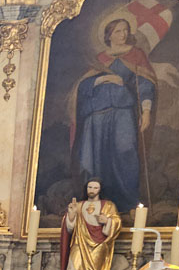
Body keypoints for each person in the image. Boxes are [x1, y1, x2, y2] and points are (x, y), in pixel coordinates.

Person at [70, 18, 173, 212]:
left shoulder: (136, 55)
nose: (123, 34)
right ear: (109, 35)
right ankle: (94, 206)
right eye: (118, 31)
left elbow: (146, 84)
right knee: (96, 158)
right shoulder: (99, 59)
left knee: (126, 152)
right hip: (96, 117)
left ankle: (128, 203)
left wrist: (146, 111)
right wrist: (103, 79)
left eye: (125, 30)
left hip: (123, 113)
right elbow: (82, 87)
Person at [60, 178, 121, 270]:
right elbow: (70, 228)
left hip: (99, 245)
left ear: (100, 189)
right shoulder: (78, 205)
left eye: (95, 187)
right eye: (90, 187)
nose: (92, 190)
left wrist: (107, 221)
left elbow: (116, 221)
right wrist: (71, 215)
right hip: (79, 242)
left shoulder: (108, 205)